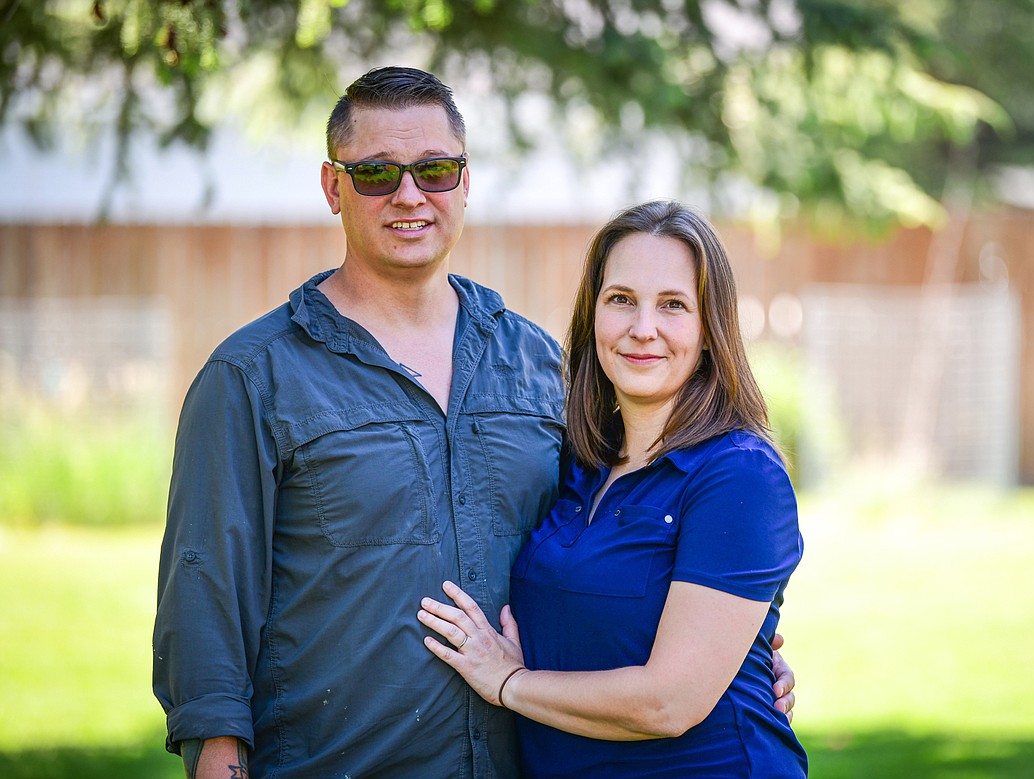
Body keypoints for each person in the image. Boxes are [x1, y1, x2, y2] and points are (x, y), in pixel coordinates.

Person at [153, 66, 796, 779]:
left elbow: (615, 561)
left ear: (465, 182)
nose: (408, 194)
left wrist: (729, 646)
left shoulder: (535, 365)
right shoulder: (252, 377)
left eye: (433, 169)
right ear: (333, 187)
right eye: (375, 173)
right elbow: (205, 606)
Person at [417, 199, 807, 777]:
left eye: (673, 305)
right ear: (592, 314)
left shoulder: (739, 474)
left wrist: (509, 682)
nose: (642, 329)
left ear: (709, 330)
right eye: (620, 299)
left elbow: (669, 701)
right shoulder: (578, 466)